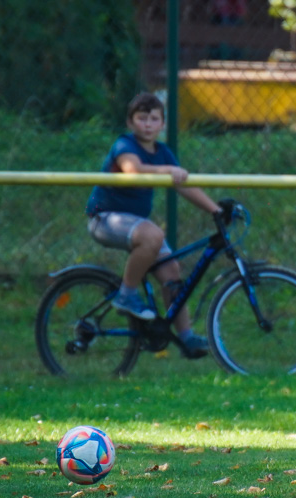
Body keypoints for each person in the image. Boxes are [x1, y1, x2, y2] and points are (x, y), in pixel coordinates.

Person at [85, 92, 221, 359]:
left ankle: (186, 337)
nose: (148, 124)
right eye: (142, 118)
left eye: (154, 119)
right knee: (153, 235)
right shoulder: (125, 144)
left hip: (135, 222)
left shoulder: (163, 152)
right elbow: (132, 170)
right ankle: (126, 295)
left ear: (162, 124)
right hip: (106, 218)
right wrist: (168, 171)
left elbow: (184, 184)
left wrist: (215, 209)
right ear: (130, 122)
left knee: (172, 271)